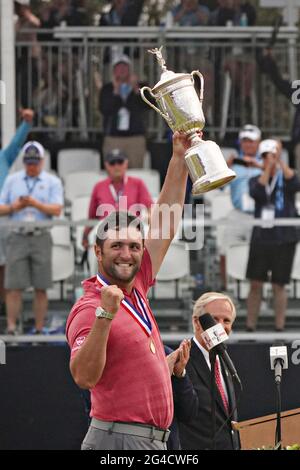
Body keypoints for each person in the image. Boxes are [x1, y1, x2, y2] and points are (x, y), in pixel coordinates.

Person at [66, 132, 192, 450]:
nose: (127, 253)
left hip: (147, 439)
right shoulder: (89, 307)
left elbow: (164, 221)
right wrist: (105, 314)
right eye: (117, 245)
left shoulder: (136, 287)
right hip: (119, 439)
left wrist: (179, 159)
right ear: (97, 252)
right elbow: (83, 376)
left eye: (135, 246)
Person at [0, 141, 64, 334]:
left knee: (41, 286)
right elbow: (1, 207)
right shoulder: (12, 180)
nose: (32, 166)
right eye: (28, 162)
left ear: (42, 161)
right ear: (24, 162)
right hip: (17, 235)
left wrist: (35, 204)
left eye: (35, 162)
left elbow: (57, 208)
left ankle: (38, 328)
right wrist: (14, 207)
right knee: (13, 286)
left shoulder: (52, 181)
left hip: (40, 235)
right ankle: (12, 328)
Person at [246, 139, 300, 332]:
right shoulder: (255, 179)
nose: (270, 159)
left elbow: (295, 182)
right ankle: (250, 326)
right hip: (261, 238)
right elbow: (258, 192)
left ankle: (280, 327)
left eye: (273, 156)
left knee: (279, 285)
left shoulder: (286, 178)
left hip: (284, 238)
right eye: (266, 157)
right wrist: (267, 168)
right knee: (255, 283)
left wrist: (279, 161)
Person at [179, 292, 240, 450]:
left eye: (226, 320)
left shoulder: (225, 362)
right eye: (214, 319)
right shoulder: (181, 361)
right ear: (197, 322)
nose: (220, 326)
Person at [82, 148, 153, 249]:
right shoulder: (99, 186)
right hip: (106, 230)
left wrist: (152, 222)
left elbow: (151, 208)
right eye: (112, 163)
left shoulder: (137, 183)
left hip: (133, 229)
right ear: (106, 165)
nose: (116, 166)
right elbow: (92, 217)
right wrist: (85, 235)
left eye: (120, 162)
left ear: (126, 163)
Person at [0, 108, 34, 314]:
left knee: (4, 268)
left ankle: (3, 309)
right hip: (8, 213)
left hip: (5, 224)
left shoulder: (2, 157)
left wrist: (26, 124)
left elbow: (15, 145)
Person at [220, 124, 262, 287]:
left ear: (258, 142)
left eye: (251, 141)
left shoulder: (266, 163)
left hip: (259, 214)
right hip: (238, 213)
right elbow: (219, 187)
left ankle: (257, 290)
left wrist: (257, 165)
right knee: (224, 251)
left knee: (259, 254)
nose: (248, 144)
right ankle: (224, 289)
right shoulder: (234, 163)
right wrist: (226, 167)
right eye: (245, 141)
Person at [99, 54, 148, 168]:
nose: (121, 70)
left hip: (135, 138)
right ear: (113, 71)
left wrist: (136, 88)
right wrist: (115, 91)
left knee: (136, 170)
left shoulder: (141, 87)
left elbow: (148, 105)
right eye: (118, 68)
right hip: (113, 138)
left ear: (130, 70)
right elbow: (104, 109)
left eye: (124, 67)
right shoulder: (107, 89)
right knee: (113, 169)